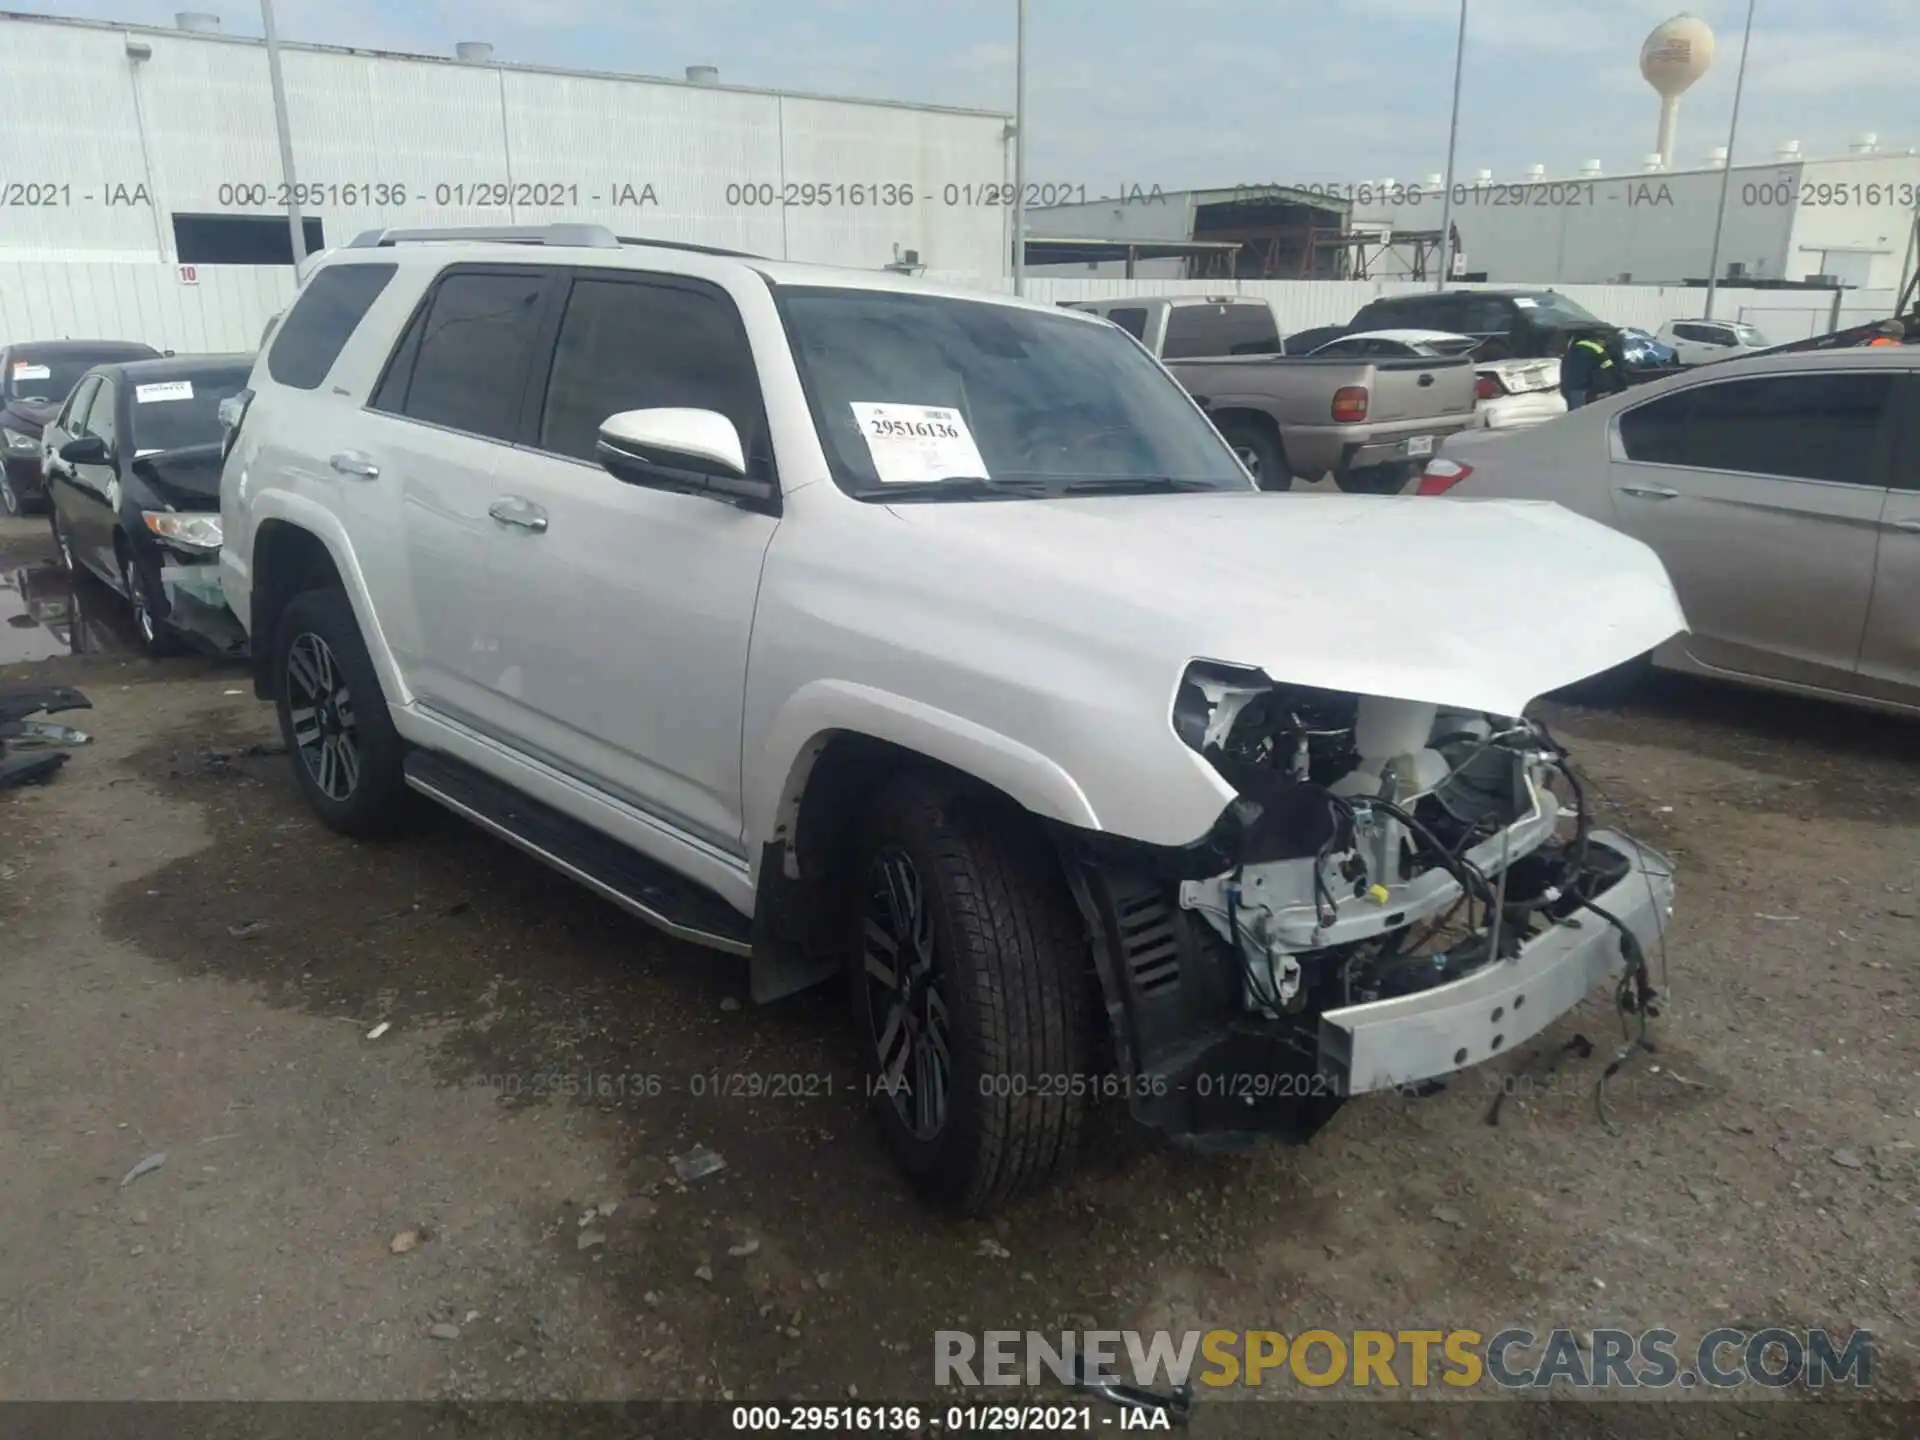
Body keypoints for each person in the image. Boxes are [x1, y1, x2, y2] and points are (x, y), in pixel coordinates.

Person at [1561, 329, 1625, 410]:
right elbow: (1609, 372)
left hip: (1571, 391)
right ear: (1600, 339)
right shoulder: (1597, 350)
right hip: (1590, 393)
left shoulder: (1572, 350)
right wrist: (1616, 389)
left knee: (1576, 416)